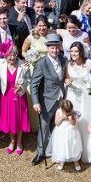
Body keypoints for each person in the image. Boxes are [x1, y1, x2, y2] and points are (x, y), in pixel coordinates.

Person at [30, 33, 67, 165]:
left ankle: (58, 149)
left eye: (57, 47)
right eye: (52, 47)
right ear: (47, 48)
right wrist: (35, 102)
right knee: (44, 127)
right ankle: (40, 152)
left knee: (60, 125)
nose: (55, 50)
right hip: (47, 100)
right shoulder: (41, 63)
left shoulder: (63, 60)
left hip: (62, 98)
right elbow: (34, 84)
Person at [0, 46, 31, 155]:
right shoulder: (1, 64)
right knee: (10, 118)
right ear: (5, 56)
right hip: (6, 96)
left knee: (19, 118)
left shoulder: (23, 65)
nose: (11, 57)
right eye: (9, 55)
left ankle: (19, 142)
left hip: (19, 95)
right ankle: (12, 141)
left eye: (14, 54)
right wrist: (6, 46)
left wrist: (22, 87)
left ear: (17, 55)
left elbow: (28, 79)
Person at [64, 42, 91, 151]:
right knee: (73, 121)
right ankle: (75, 148)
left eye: (76, 51)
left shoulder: (90, 64)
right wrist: (67, 82)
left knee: (86, 119)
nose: (73, 54)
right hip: (72, 96)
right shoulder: (69, 65)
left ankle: (89, 148)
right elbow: (67, 79)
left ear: (81, 52)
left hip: (86, 97)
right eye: (72, 51)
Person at [50, 99, 82, 171]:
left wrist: (71, 119)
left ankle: (75, 161)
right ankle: (62, 161)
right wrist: (61, 118)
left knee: (73, 145)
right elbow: (57, 124)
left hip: (72, 132)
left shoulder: (73, 113)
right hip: (61, 133)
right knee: (62, 146)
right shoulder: (58, 111)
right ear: (62, 109)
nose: (68, 113)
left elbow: (74, 124)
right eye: (66, 112)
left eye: (69, 112)